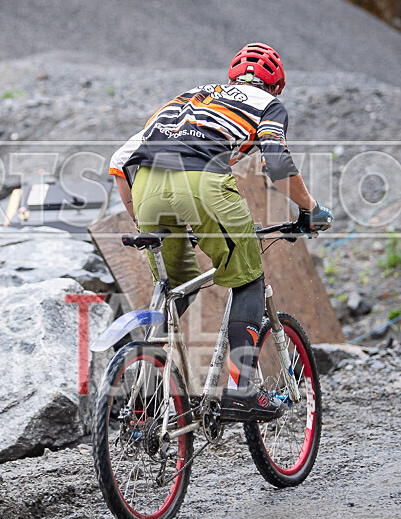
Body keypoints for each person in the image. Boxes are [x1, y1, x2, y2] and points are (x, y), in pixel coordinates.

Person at [108, 42, 333, 422]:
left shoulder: (189, 96)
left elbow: (119, 162)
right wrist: (310, 210)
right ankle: (241, 391)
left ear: (232, 76)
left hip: (146, 188)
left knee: (177, 285)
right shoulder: (267, 104)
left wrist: (140, 218)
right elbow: (276, 161)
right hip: (202, 183)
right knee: (247, 278)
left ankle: (145, 396)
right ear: (276, 86)